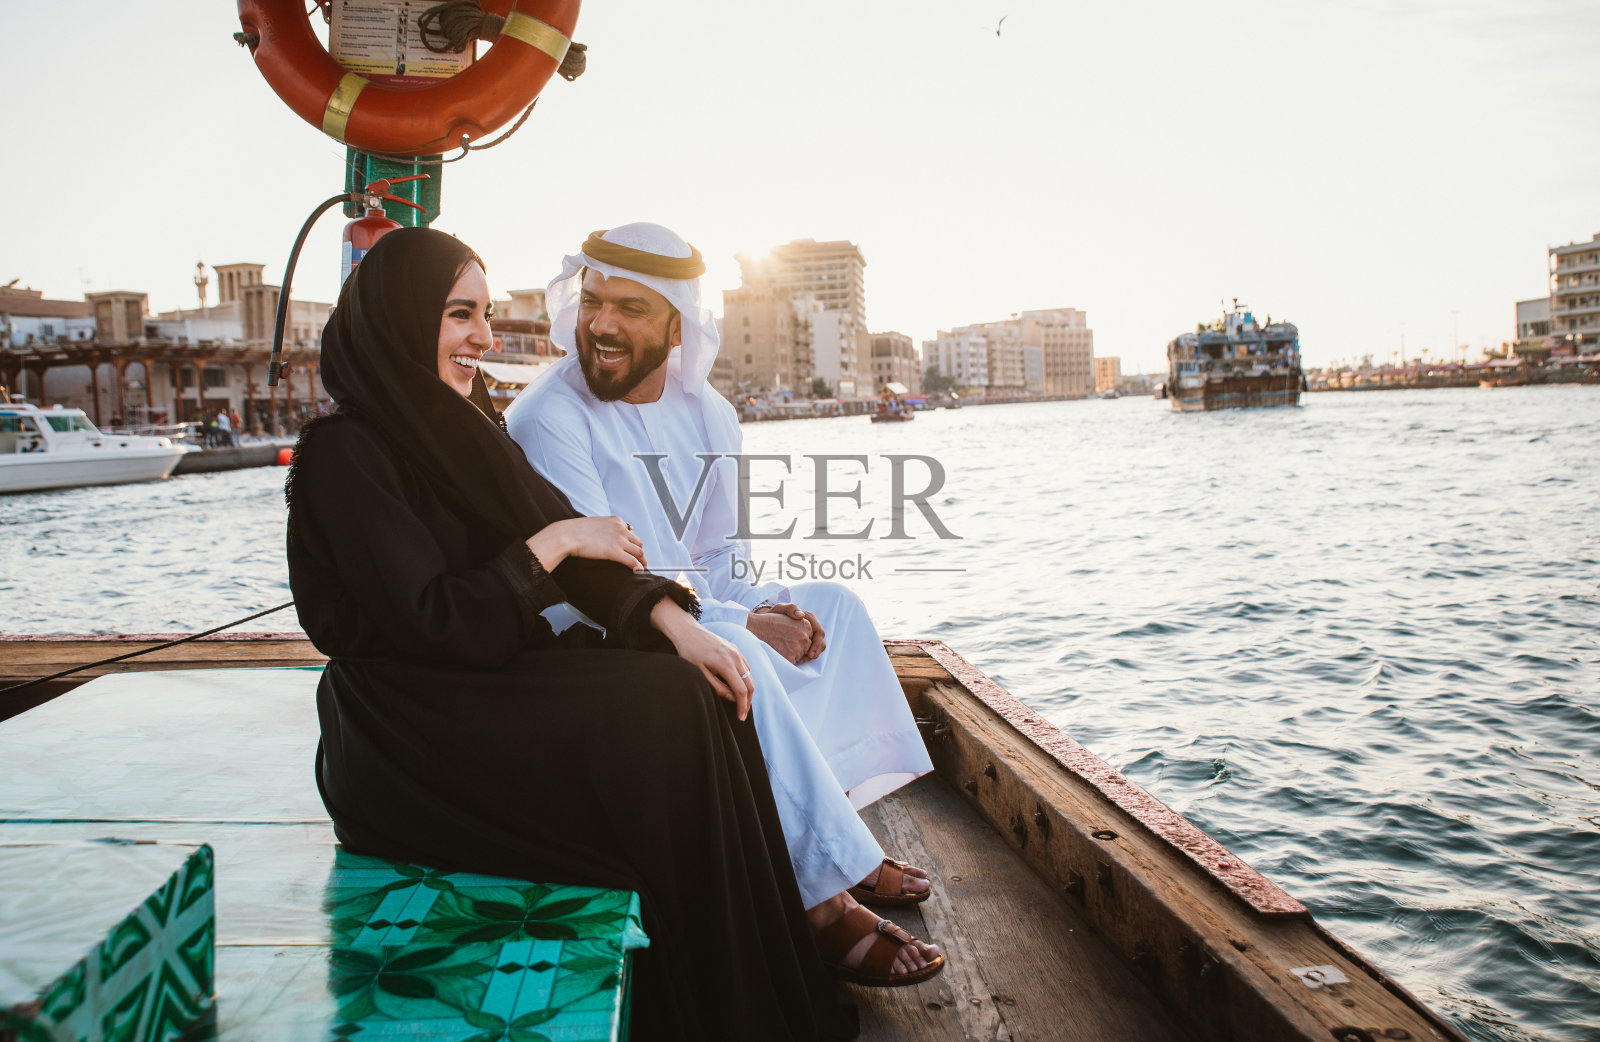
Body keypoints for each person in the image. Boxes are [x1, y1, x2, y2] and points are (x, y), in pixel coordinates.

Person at [284, 227, 854, 1040]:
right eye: (459, 315)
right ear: (400, 320)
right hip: (401, 732)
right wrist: (549, 547)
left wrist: (674, 621)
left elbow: (581, 548)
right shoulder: (345, 453)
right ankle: (720, 989)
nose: (485, 337)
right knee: (660, 713)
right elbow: (439, 620)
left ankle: (765, 962)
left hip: (477, 688)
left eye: (485, 314)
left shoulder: (462, 428)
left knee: (695, 683)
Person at [505, 224, 944, 983]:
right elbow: (600, 585)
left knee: (833, 609)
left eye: (630, 308)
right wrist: (744, 623)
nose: (602, 324)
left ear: (677, 326)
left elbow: (720, 559)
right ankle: (822, 904)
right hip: (599, 635)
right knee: (740, 651)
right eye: (593, 300)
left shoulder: (706, 411)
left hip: (689, 609)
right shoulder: (550, 416)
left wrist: (770, 609)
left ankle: (837, 836)